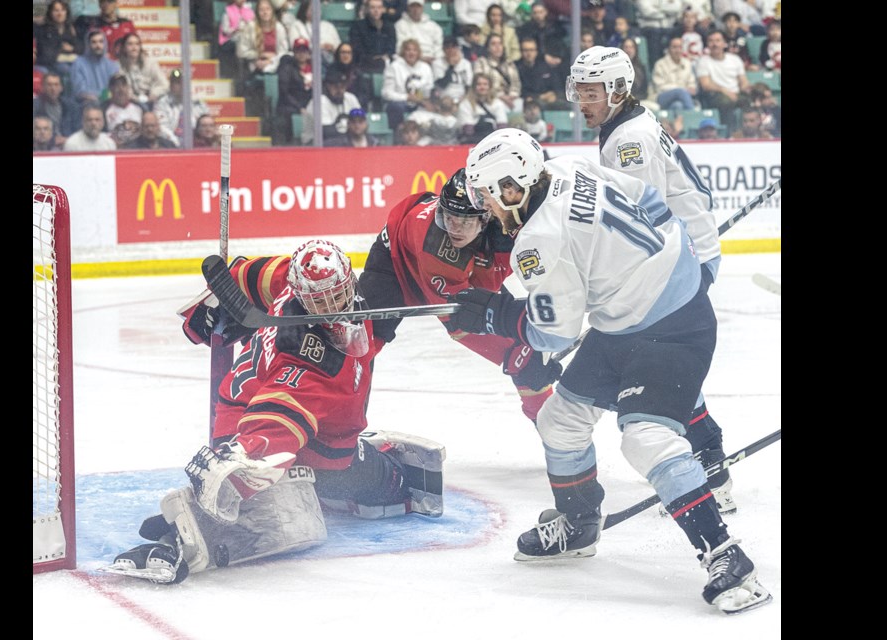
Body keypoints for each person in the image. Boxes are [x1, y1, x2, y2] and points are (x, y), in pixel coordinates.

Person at [449, 128, 773, 614]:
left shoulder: (537, 242)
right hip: (628, 323)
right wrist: (662, 261)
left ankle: (728, 557)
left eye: (487, 195)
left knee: (645, 436)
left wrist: (499, 316)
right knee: (559, 420)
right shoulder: (568, 166)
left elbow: (554, 335)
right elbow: (648, 198)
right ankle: (579, 527)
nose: (485, 206)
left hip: (672, 330)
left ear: (513, 187)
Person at [104, 240, 446, 584]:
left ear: (350, 282)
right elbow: (276, 418)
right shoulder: (314, 364)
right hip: (266, 431)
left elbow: (247, 275)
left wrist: (216, 300)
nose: (331, 307)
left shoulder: (289, 281)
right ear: (302, 297)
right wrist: (241, 462)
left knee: (343, 474)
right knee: (371, 490)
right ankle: (179, 541)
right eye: (319, 301)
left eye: (337, 294)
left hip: (268, 415)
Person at [563, 46, 737, 513]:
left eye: (592, 90)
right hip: (687, 252)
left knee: (663, 359)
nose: (583, 99)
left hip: (681, 261)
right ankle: (710, 460)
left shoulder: (628, 141)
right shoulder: (626, 124)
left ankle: (710, 463)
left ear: (618, 89)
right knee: (670, 365)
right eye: (578, 89)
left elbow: (637, 221)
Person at [358, 168, 559, 426]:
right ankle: (343, 430)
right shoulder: (438, 248)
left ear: (487, 217)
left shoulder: (506, 222)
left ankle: (556, 432)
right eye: (450, 218)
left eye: (465, 221)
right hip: (397, 265)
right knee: (359, 344)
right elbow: (464, 318)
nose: (455, 229)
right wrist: (521, 343)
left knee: (526, 359)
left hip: (463, 269)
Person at [695, 29, 749, 134]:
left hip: (736, 93)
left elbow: (743, 80)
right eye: (711, 41)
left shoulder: (735, 59)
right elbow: (705, 85)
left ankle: (748, 133)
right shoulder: (703, 61)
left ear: (724, 43)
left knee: (749, 99)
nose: (714, 44)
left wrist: (745, 88)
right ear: (707, 44)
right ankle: (730, 134)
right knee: (726, 102)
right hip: (716, 95)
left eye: (718, 40)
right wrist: (725, 91)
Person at [381, 38, 434, 131]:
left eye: (414, 50)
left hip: (420, 103)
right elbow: (386, 93)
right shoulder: (394, 67)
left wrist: (425, 100)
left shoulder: (425, 68)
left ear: (418, 53)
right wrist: (407, 97)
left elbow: (429, 90)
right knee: (396, 107)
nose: (411, 53)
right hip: (400, 103)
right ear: (403, 52)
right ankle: (399, 138)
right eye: (408, 50)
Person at [302, 68, 362, 145]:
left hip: (343, 141)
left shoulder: (351, 98)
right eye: (336, 87)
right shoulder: (318, 102)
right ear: (327, 86)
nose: (339, 90)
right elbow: (326, 132)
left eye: (342, 86)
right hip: (314, 144)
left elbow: (361, 122)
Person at [153, 69, 210, 146]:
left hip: (197, 143)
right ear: (171, 85)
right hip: (170, 144)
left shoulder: (198, 103)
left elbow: (207, 122)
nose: (181, 86)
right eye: (177, 83)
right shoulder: (162, 103)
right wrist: (176, 142)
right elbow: (162, 128)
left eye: (184, 83)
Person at [273, 38, 314, 145]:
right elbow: (284, 92)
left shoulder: (314, 68)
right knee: (285, 117)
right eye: (298, 51)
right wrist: (299, 107)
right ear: (294, 52)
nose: (301, 54)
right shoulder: (286, 68)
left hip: (309, 104)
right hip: (290, 105)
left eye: (304, 51)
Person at [117, 32, 169, 108]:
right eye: (130, 44)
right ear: (124, 48)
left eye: (137, 44)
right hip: (130, 103)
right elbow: (122, 89)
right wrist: (137, 99)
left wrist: (154, 94)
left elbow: (164, 84)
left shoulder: (151, 63)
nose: (134, 48)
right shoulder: (118, 66)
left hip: (152, 100)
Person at [70, 29, 120, 107]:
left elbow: (115, 88)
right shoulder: (79, 63)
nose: (98, 46)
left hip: (109, 103)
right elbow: (80, 91)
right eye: (94, 42)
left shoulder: (112, 65)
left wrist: (104, 97)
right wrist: (100, 97)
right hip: (86, 104)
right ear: (88, 44)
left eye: (101, 42)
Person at [472, 33, 522, 112]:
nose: (497, 47)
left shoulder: (509, 63)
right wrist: (501, 97)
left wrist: (512, 96)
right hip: (489, 99)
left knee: (519, 104)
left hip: (511, 99)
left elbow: (516, 83)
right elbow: (479, 84)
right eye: (493, 44)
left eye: (500, 44)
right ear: (488, 48)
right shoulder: (481, 63)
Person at [457, 71, 509, 143]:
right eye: (479, 84)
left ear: (490, 86)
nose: (482, 87)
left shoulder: (498, 103)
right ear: (474, 87)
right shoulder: (465, 104)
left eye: (485, 84)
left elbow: (502, 127)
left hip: (494, 141)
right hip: (473, 142)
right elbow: (467, 130)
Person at [348, 0, 398, 75]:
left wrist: (385, 57)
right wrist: (372, 59)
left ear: (382, 9)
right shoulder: (357, 26)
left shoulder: (389, 27)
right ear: (367, 9)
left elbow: (392, 47)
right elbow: (357, 48)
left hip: (386, 63)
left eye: (379, 7)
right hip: (364, 64)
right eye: (372, 7)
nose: (376, 10)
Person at [515, 36, 565, 110]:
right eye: (526, 50)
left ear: (536, 52)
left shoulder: (544, 67)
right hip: (528, 103)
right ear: (521, 52)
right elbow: (519, 91)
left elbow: (556, 85)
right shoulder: (516, 68)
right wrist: (538, 97)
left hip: (548, 101)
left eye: (531, 50)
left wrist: (553, 94)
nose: (529, 53)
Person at [33, 72, 83, 145]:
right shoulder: (35, 106)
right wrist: (53, 140)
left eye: (56, 85)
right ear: (43, 87)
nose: (53, 88)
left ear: (61, 88)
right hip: (43, 147)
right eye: (49, 85)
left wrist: (69, 140)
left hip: (69, 144)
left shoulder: (72, 106)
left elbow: (78, 130)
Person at [650, 36, 697, 112]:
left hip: (683, 98)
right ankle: (694, 116)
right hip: (661, 97)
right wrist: (681, 89)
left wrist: (691, 88)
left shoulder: (687, 63)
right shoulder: (660, 64)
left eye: (680, 47)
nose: (678, 50)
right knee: (680, 92)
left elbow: (692, 84)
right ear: (668, 49)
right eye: (674, 47)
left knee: (678, 106)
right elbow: (660, 87)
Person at [34, 0, 82, 75]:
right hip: (48, 65)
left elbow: (81, 47)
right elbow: (45, 54)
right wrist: (61, 50)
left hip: (69, 62)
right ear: (50, 13)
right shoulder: (44, 30)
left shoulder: (70, 29)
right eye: (56, 10)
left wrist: (73, 49)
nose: (60, 14)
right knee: (66, 69)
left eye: (63, 10)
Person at [289, 0, 342, 65]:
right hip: (308, 59)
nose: (316, 11)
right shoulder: (297, 25)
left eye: (318, 8)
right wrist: (320, 47)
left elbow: (339, 46)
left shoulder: (329, 26)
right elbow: (295, 46)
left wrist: (332, 48)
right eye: (312, 9)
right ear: (305, 10)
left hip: (331, 57)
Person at [101, 72, 145, 147]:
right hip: (115, 149)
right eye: (117, 86)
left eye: (123, 85)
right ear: (111, 89)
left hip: (139, 148)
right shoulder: (104, 109)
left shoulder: (139, 107)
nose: (121, 89)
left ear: (128, 88)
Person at [395, 0, 444, 67]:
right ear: (408, 8)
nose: (415, 9)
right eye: (413, 6)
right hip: (409, 60)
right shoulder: (400, 25)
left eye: (418, 6)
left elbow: (438, 47)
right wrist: (419, 58)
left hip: (431, 60)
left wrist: (434, 59)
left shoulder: (434, 26)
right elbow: (400, 47)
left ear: (422, 8)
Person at [431, 36, 474, 104]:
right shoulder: (437, 63)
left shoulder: (466, 63)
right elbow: (441, 85)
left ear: (458, 48)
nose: (451, 50)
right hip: (444, 99)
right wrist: (451, 67)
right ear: (443, 49)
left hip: (462, 99)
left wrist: (462, 99)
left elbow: (468, 86)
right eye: (448, 47)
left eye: (454, 47)